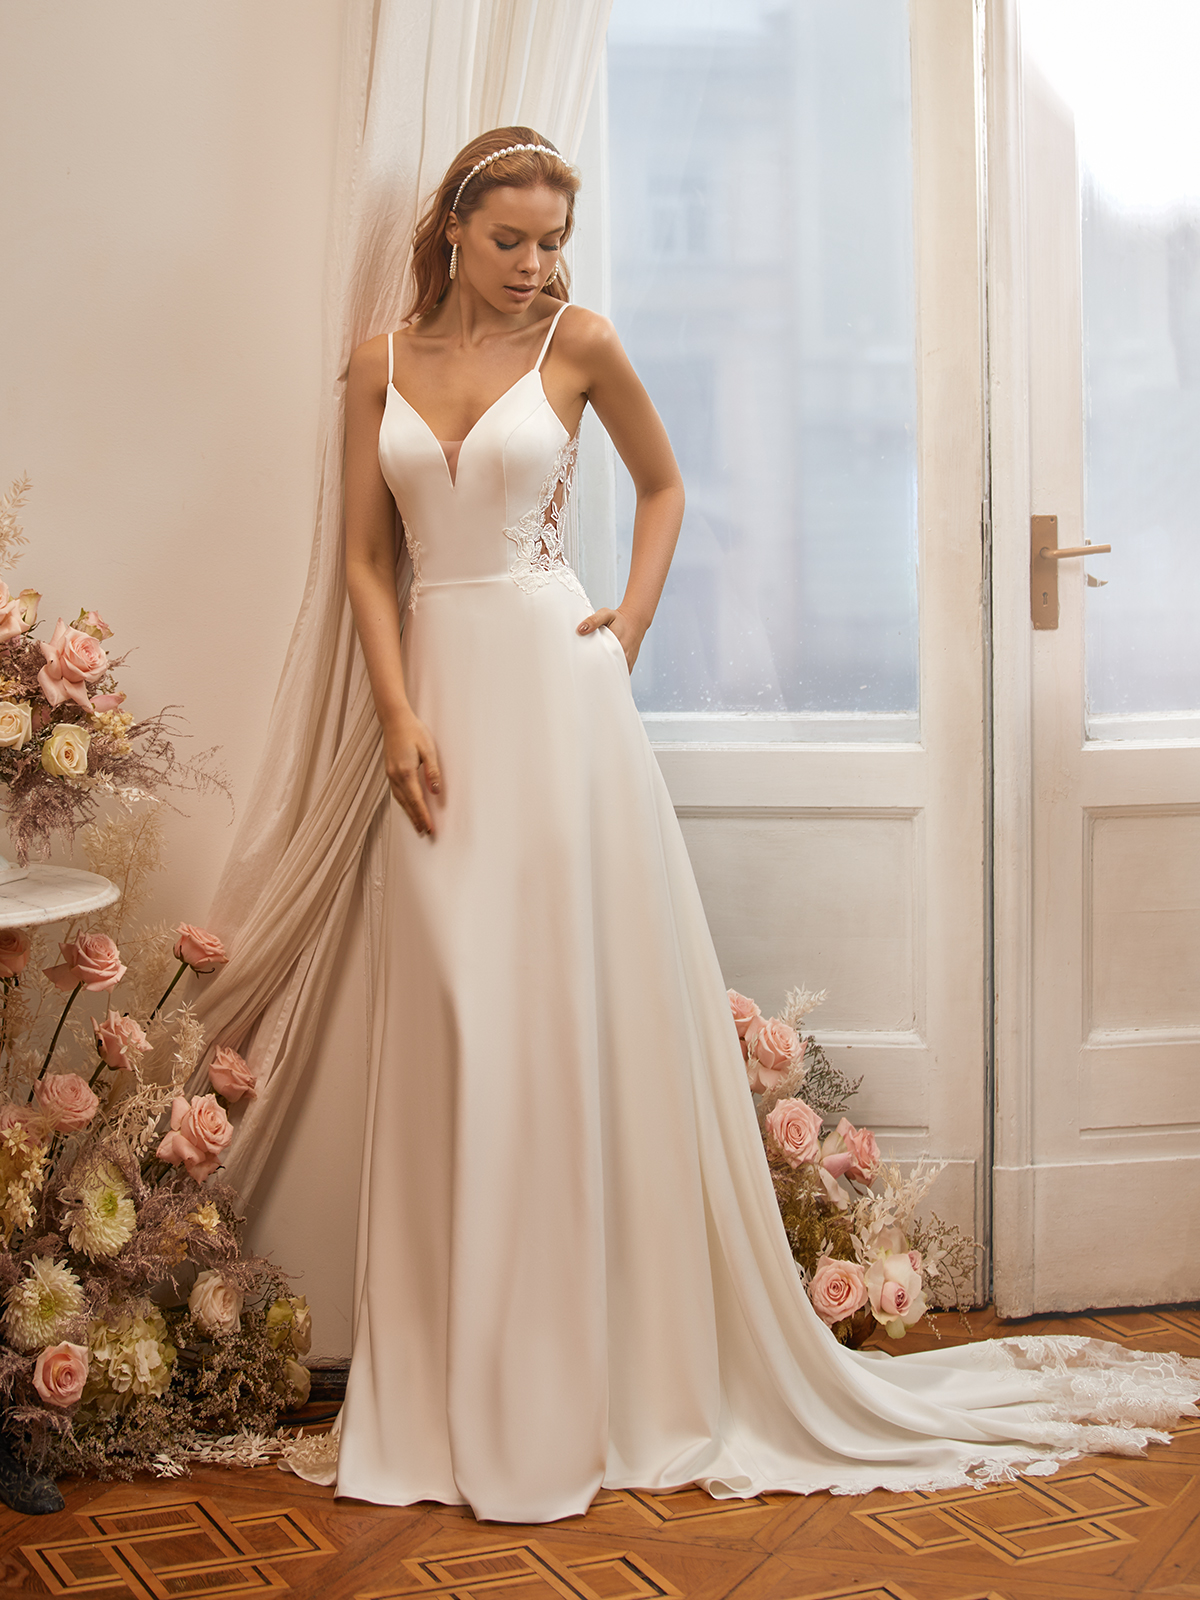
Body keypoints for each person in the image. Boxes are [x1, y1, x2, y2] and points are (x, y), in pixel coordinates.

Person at [331, 127, 1199, 1523]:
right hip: (436, 704)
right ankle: (445, 1399)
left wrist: (630, 622)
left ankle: (569, 1389)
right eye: (512, 242)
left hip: (559, 705)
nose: (538, 265)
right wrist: (392, 713)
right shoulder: (375, 364)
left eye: (555, 239)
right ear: (450, 233)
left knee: (551, 1027)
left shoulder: (584, 343)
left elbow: (669, 490)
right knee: (455, 1021)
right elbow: (367, 560)